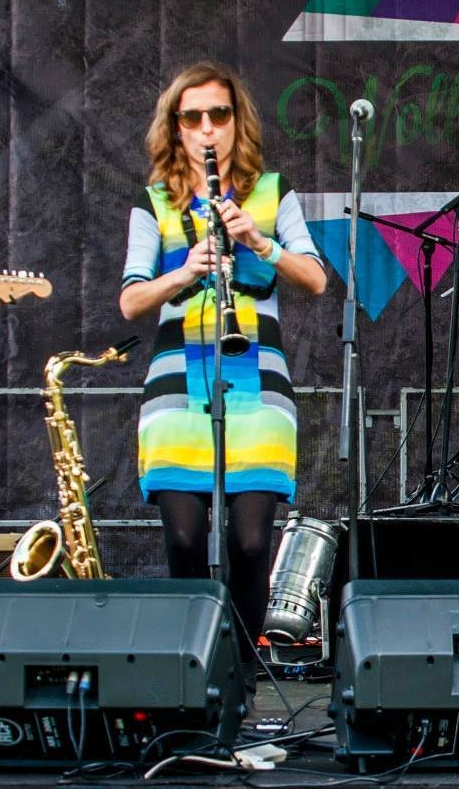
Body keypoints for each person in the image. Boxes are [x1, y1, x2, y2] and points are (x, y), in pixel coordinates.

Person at [120, 62, 327, 638]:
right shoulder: (155, 202)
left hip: (259, 383)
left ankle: (243, 669)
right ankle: (196, 663)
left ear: (238, 121)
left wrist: (258, 240)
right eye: (193, 118)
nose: (207, 128)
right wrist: (186, 270)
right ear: (176, 127)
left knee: (252, 540)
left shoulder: (272, 191)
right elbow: (132, 301)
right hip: (176, 389)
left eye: (219, 114)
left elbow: (315, 277)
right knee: (185, 537)